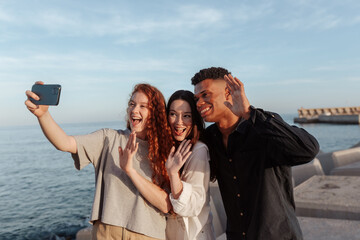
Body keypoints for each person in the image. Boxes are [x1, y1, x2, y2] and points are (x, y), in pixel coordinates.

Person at [25, 82, 173, 240]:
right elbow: (65, 143)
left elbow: (166, 205)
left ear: (155, 113)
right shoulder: (109, 138)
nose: (135, 110)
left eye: (143, 106)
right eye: (132, 104)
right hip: (107, 232)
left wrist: (130, 171)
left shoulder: (164, 151)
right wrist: (43, 115)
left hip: (148, 234)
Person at [191, 67, 320, 240]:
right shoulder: (210, 139)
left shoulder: (262, 128)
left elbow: (308, 150)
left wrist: (248, 113)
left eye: (205, 95)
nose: (199, 103)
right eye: (196, 98)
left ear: (228, 92)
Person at [164, 90, 215, 240]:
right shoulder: (170, 148)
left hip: (193, 235)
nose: (179, 122)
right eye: (173, 114)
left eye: (186, 116)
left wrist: (173, 174)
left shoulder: (198, 150)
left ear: (194, 120)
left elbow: (191, 205)